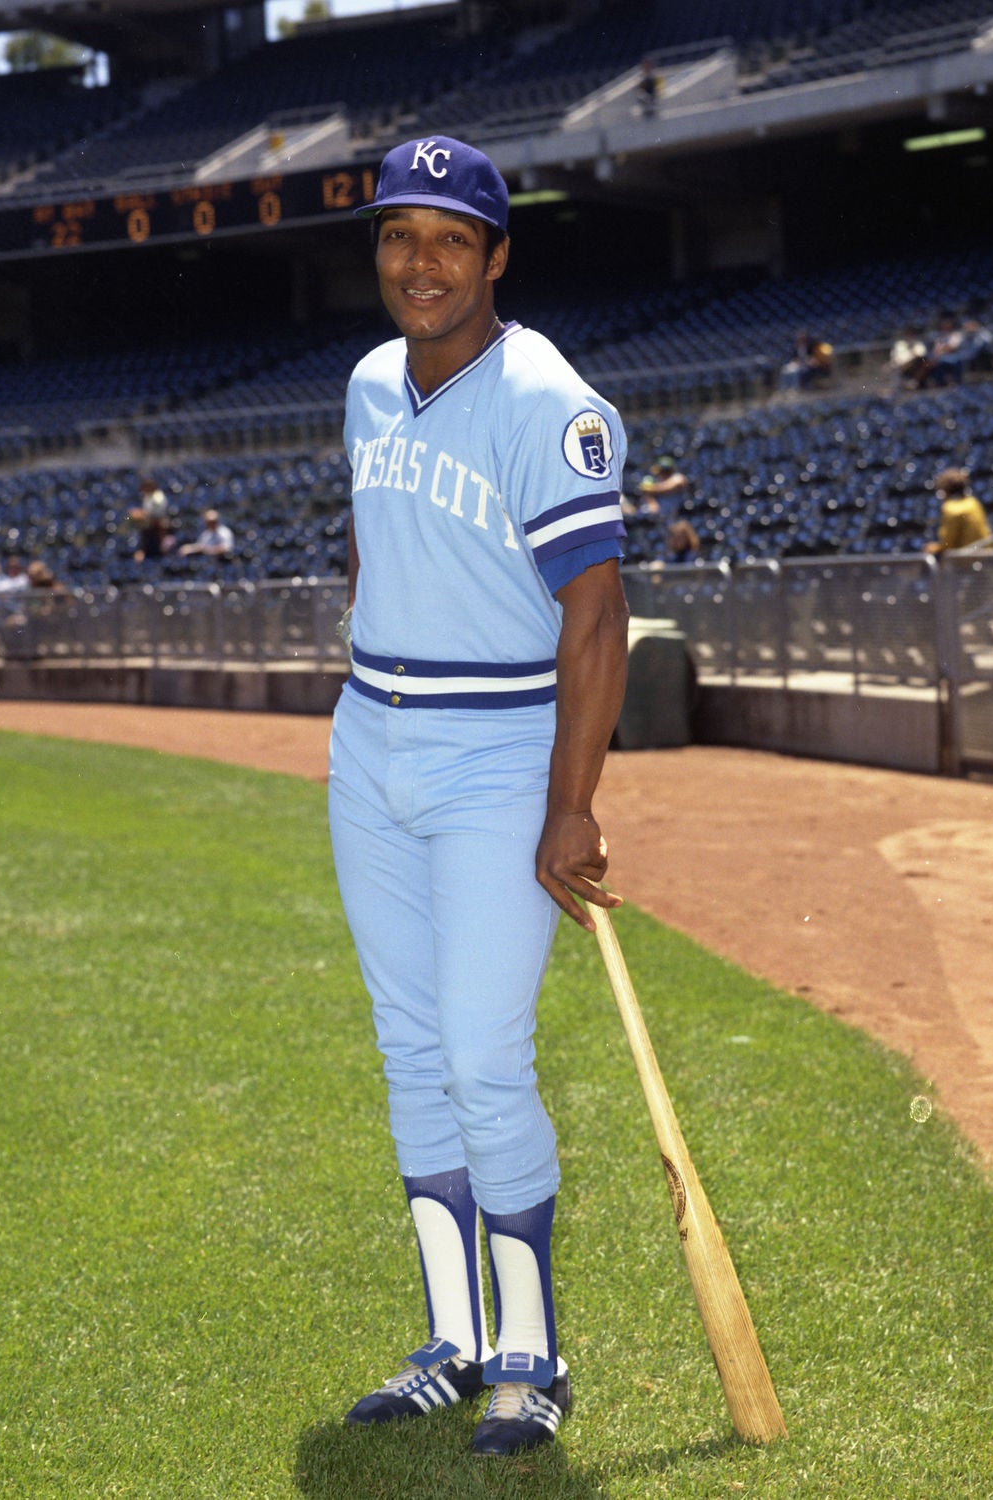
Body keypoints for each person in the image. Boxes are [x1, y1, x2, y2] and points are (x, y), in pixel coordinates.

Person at [327, 135, 629, 1459]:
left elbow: (599, 617)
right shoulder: (365, 385)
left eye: (452, 239)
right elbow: (375, 543)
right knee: (408, 1050)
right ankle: (451, 1342)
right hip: (370, 739)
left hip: (497, 754)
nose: (422, 262)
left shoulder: (546, 399)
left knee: (481, 1059)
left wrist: (572, 803)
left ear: (497, 256)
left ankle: (532, 1354)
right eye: (401, 235)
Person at [925, 467, 991, 553]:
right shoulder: (973, 503)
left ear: (945, 491)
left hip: (966, 557)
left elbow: (948, 543)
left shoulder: (951, 508)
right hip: (986, 554)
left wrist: (932, 548)